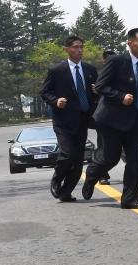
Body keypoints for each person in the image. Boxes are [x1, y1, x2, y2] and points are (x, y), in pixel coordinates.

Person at [82, 28, 138, 208]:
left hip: (136, 120)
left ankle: (130, 199)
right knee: (110, 158)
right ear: (130, 43)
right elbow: (100, 86)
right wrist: (120, 96)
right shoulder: (117, 61)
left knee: (134, 161)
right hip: (112, 120)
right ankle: (92, 174)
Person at [41, 35, 99, 202]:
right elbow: (44, 92)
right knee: (67, 154)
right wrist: (56, 101)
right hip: (63, 121)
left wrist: (96, 92)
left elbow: (96, 94)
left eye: (81, 47)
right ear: (66, 49)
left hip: (82, 120)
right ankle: (57, 179)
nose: (79, 50)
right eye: (75, 47)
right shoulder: (56, 70)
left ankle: (66, 191)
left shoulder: (90, 70)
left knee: (78, 159)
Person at [95, 50, 118, 186]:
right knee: (103, 147)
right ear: (104, 61)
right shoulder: (97, 75)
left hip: (122, 117)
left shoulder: (123, 74)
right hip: (104, 117)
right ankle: (101, 174)